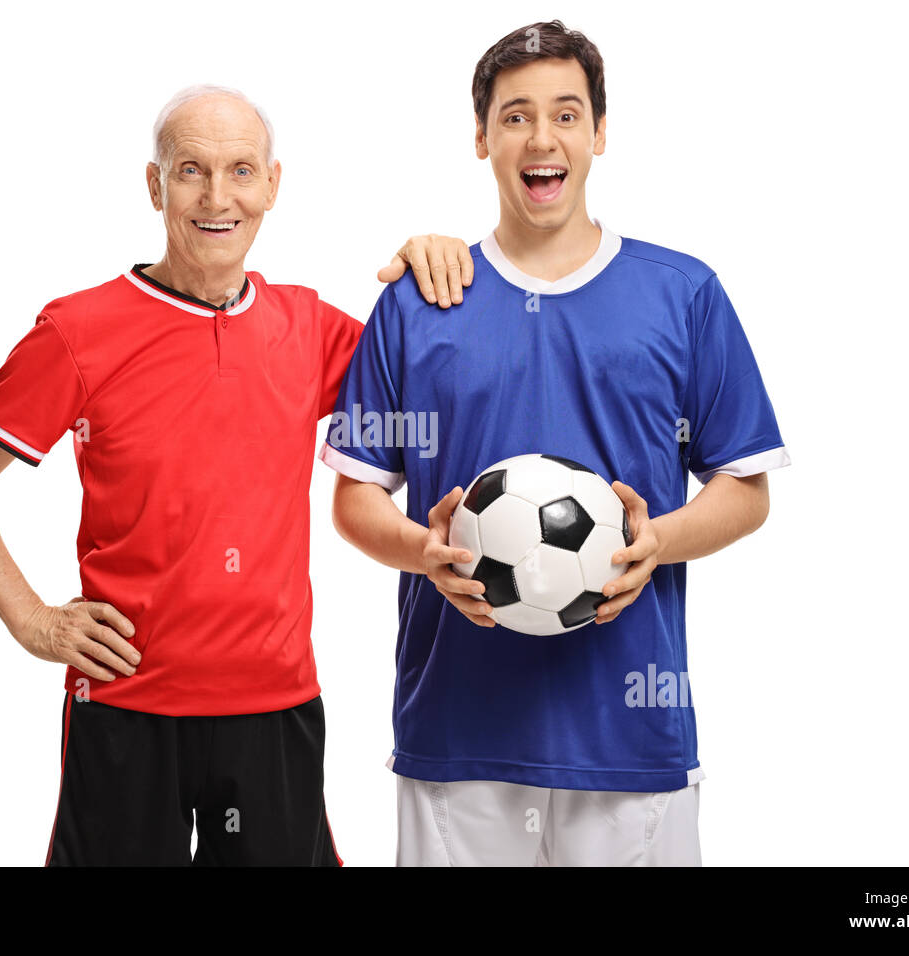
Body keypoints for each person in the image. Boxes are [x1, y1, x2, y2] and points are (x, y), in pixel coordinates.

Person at [0, 84, 472, 866]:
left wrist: (432, 255)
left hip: (274, 707)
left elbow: (440, 371)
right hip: (127, 704)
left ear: (273, 185)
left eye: (241, 171)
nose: (218, 197)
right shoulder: (80, 331)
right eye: (191, 171)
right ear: (155, 186)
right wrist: (33, 620)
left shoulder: (310, 328)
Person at [321, 21, 790, 866]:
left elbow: (746, 487)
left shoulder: (683, 294)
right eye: (515, 117)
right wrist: (427, 553)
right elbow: (355, 501)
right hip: (456, 734)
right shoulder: (420, 302)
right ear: (481, 137)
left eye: (567, 115)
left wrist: (659, 542)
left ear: (600, 134)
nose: (543, 139)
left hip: (629, 743)